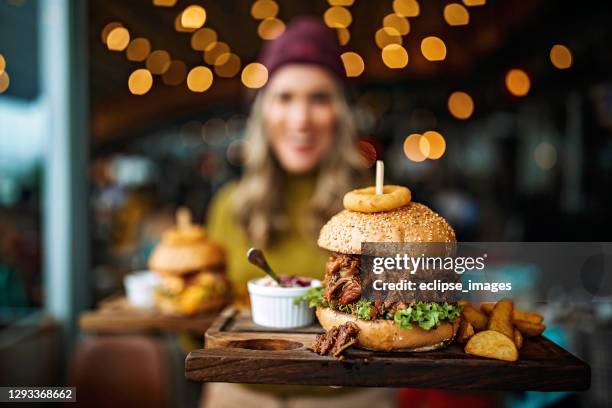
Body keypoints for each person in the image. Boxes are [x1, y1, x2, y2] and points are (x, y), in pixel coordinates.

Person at [204, 16, 397, 408]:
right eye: (285, 97)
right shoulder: (228, 206)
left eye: (319, 98)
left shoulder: (377, 209)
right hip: (238, 396)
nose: (300, 119)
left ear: (340, 113)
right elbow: (200, 327)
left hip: (353, 399)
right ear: (263, 111)